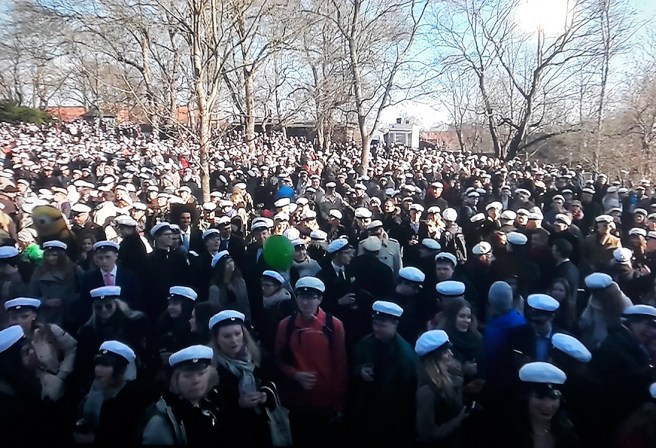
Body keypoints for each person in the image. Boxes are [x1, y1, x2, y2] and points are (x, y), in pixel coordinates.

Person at [275, 277, 347, 447]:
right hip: (296, 400)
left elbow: (340, 365)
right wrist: (296, 374)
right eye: (302, 297)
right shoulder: (286, 325)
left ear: (320, 299)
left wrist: (338, 404)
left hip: (324, 400)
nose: (306, 303)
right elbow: (278, 360)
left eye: (311, 298)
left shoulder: (333, 325)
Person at [350, 301, 418, 445]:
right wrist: (360, 370)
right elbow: (352, 366)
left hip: (390, 418)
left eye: (382, 325)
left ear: (395, 324)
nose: (376, 328)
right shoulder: (365, 344)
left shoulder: (405, 355)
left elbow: (407, 393)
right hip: (365, 411)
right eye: (375, 324)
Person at [210, 310, 274, 446]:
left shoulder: (259, 355)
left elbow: (274, 380)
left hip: (262, 426)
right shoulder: (211, 366)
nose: (234, 340)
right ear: (217, 339)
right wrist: (237, 404)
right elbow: (212, 403)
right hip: (232, 432)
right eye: (227, 336)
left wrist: (265, 394)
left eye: (237, 334)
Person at [591, 305, 656, 437]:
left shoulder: (634, 346)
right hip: (612, 419)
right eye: (647, 325)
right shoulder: (613, 347)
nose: (651, 332)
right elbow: (605, 386)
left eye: (653, 327)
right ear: (631, 322)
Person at [73, 340, 153, 446]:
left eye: (106, 365)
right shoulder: (93, 390)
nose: (98, 369)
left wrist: (95, 439)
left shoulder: (133, 397)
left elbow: (127, 434)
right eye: (97, 363)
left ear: (120, 370)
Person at [75, 286, 155, 387]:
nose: (104, 310)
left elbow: (146, 348)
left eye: (108, 306)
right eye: (99, 307)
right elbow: (82, 359)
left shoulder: (134, 323)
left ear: (116, 304)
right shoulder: (88, 330)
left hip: (130, 370)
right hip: (101, 373)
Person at [141, 345, 221, 445]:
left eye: (201, 373)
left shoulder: (213, 403)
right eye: (187, 376)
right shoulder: (162, 420)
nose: (196, 380)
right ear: (175, 380)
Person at [4, 297, 77, 402]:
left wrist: (62, 375)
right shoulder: (6, 341)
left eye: (24, 316)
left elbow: (72, 348)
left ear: (34, 316)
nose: (19, 322)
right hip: (22, 395)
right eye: (14, 318)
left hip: (52, 390)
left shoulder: (50, 330)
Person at [498, 362, 578, 448]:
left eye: (554, 397)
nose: (548, 405)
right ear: (526, 398)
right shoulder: (506, 431)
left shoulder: (567, 434)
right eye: (540, 397)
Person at [415, 329, 468, 446]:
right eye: (445, 351)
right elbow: (426, 435)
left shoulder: (448, 377)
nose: (451, 354)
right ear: (434, 358)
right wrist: (459, 420)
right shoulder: (427, 392)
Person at [0, 325, 49, 445]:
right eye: (27, 351)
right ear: (12, 361)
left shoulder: (24, 384)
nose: (33, 354)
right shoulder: (6, 405)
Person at [28, 240, 81, 330]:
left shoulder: (74, 269)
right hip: (47, 315)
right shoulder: (39, 271)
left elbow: (83, 291)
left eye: (54, 255)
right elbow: (31, 295)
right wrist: (45, 302)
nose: (50, 258)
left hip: (70, 314)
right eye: (48, 255)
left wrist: (69, 300)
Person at [579, 273, 633, 349]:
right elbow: (586, 318)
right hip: (596, 341)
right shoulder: (594, 299)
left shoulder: (623, 302)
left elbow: (626, 324)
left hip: (615, 344)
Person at [440, 298, 483, 384]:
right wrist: (462, 369)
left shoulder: (477, 338)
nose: (466, 320)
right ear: (452, 317)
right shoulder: (443, 341)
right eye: (462, 316)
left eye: (469, 317)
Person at [155, 286, 196, 370]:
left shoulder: (194, 327)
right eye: (169, 304)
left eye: (175, 304)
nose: (170, 307)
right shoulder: (164, 323)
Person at [208, 250, 251, 320]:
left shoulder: (240, 282)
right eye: (227, 263)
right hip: (224, 321)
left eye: (231, 261)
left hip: (241, 319)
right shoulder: (215, 288)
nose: (231, 264)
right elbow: (215, 310)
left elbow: (245, 303)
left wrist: (247, 320)